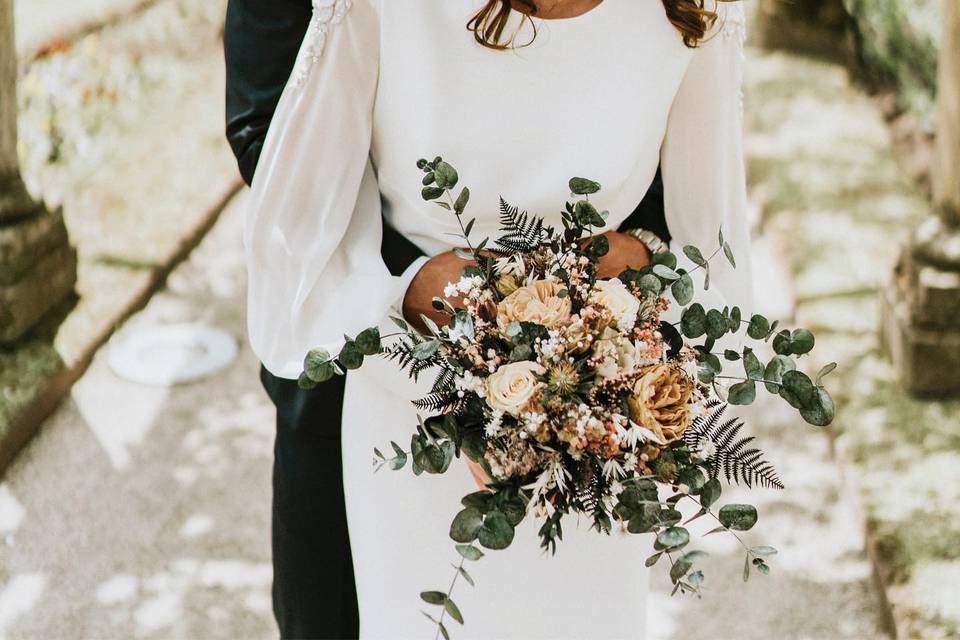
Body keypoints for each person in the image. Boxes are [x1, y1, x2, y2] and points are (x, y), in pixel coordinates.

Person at [232, 0, 751, 637]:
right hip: (408, 400)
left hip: (591, 434)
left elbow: (715, 252)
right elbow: (297, 234)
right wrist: (410, 298)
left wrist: (644, 261)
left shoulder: (695, 11)